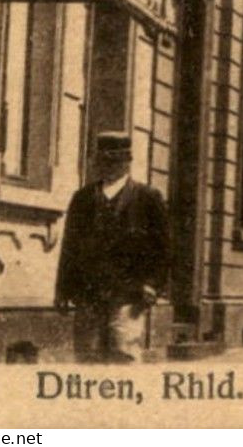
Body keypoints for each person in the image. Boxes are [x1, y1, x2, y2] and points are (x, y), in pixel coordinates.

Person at [55, 132, 170, 362]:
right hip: (89, 292)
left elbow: (163, 248)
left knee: (123, 351)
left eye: (115, 160)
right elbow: (69, 247)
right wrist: (63, 290)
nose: (108, 166)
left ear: (127, 162)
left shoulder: (148, 197)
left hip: (129, 292)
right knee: (88, 354)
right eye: (103, 160)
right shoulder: (83, 198)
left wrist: (153, 284)